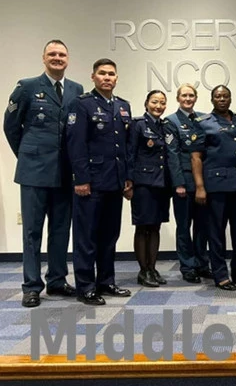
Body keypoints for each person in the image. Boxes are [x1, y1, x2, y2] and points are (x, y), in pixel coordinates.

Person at [3, 40, 83, 308]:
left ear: (68, 59)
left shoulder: (76, 89)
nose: (57, 58)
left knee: (61, 230)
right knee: (32, 232)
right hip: (34, 172)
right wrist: (28, 155)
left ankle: (57, 281)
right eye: (52, 54)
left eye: (62, 54)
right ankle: (31, 286)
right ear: (44, 58)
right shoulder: (26, 87)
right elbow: (11, 127)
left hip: (64, 172)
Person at [64, 58, 133, 305]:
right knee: (86, 237)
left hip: (115, 181)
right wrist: (81, 179)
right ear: (93, 77)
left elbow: (126, 147)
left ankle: (106, 281)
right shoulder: (82, 104)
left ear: (116, 78)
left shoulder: (123, 106)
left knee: (109, 236)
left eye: (111, 74)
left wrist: (127, 178)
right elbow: (76, 144)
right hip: (91, 182)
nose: (107, 77)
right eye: (102, 73)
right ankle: (85, 286)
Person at [191, 85, 236, 291]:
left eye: (225, 96)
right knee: (216, 233)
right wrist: (200, 187)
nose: (222, 99)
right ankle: (220, 275)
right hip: (216, 187)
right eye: (218, 96)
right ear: (212, 100)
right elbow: (196, 157)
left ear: (230, 98)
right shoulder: (203, 123)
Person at [127, 90, 184, 287]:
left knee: (155, 227)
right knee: (143, 227)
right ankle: (143, 271)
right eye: (154, 102)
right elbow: (130, 154)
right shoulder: (138, 125)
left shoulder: (165, 126)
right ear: (146, 103)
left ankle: (152, 268)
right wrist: (128, 181)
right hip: (143, 183)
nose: (158, 106)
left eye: (162, 103)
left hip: (162, 184)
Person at [164, 84, 213, 283]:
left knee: (203, 226)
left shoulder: (204, 119)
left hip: (203, 182)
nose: (188, 98)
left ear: (196, 98)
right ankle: (188, 266)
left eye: (191, 95)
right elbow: (172, 155)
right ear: (178, 98)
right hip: (183, 182)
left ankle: (202, 263)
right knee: (184, 227)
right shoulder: (171, 121)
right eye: (184, 95)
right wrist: (178, 183)